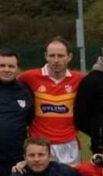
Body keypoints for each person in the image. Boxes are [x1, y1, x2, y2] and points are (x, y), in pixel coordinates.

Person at [18, 36, 84, 165]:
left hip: (69, 144)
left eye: (60, 56)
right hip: (39, 146)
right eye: (52, 55)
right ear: (46, 56)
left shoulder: (79, 79)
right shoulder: (29, 77)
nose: (56, 60)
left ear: (69, 57)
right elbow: (7, 86)